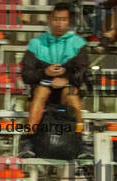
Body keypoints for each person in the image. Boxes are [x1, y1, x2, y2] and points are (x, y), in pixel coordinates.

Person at [20, 1, 89, 150]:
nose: (59, 23)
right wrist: (45, 72)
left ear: (68, 22)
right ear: (50, 20)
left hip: (68, 88)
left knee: (72, 94)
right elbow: (26, 75)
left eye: (63, 19)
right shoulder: (36, 43)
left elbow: (83, 73)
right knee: (40, 91)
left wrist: (66, 79)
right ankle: (28, 140)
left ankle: (81, 139)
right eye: (56, 19)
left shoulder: (78, 43)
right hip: (42, 88)